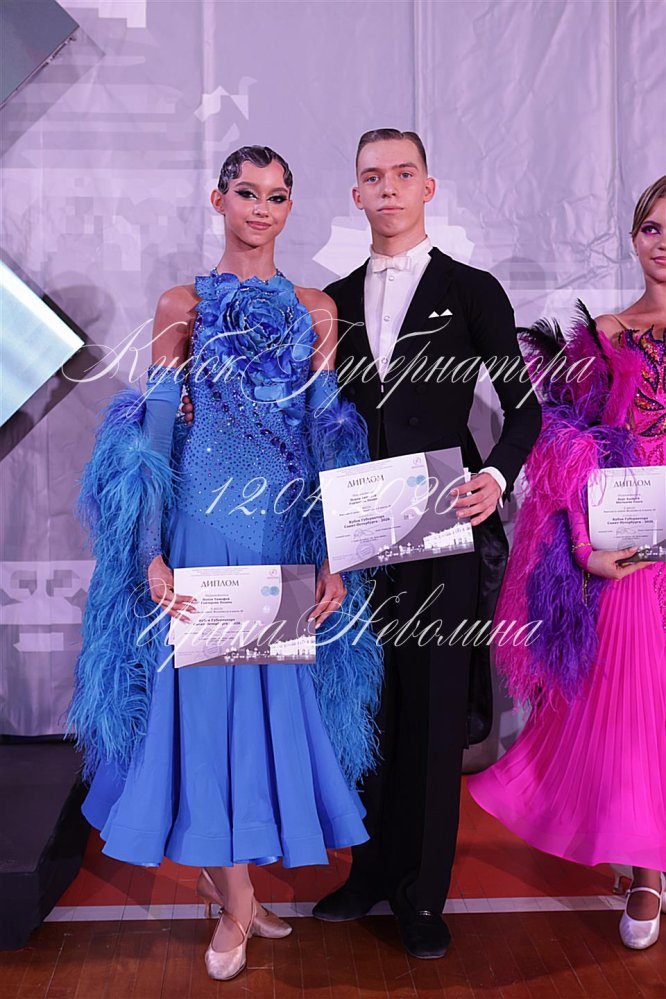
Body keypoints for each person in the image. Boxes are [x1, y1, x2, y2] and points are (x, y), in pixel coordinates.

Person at [68, 145, 383, 982]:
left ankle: (231, 881)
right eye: (247, 192)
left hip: (283, 534)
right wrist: (151, 550)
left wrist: (336, 552)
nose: (261, 209)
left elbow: (327, 433)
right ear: (219, 200)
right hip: (203, 531)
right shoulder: (182, 303)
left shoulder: (318, 309)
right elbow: (154, 435)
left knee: (268, 713)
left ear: (290, 207)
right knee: (206, 712)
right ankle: (236, 902)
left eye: (276, 196)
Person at [311, 128, 542, 958]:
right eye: (373, 176)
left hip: (444, 525)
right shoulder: (330, 299)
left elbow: (524, 409)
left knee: (436, 709)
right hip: (357, 528)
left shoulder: (471, 289)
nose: (388, 188)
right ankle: (369, 871)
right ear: (356, 194)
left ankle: (421, 893)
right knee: (367, 703)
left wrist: (499, 478)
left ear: (428, 187)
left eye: (402, 173)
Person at [468, 176, 666, 950]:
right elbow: (567, 450)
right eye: (651, 228)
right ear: (633, 238)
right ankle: (649, 868)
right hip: (637, 545)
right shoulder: (608, 334)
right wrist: (585, 546)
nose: (663, 242)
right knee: (637, 707)